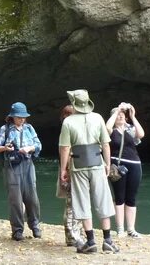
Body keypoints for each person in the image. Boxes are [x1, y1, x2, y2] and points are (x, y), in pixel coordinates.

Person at [59, 89, 119, 254]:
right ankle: (108, 241)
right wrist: (107, 164)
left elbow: (65, 148)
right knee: (103, 200)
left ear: (74, 104)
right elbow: (106, 144)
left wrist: (63, 169)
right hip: (97, 164)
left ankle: (91, 241)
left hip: (78, 165)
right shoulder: (98, 117)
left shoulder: (68, 122)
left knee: (82, 201)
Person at [0, 102, 42, 240]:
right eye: (19, 117)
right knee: (15, 199)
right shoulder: (5, 129)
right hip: (12, 167)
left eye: (24, 117)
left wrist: (29, 148)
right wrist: (5, 148)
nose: (22, 119)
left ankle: (35, 226)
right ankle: (17, 230)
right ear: (12, 117)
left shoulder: (29, 128)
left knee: (32, 198)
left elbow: (38, 145)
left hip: (28, 164)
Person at [105, 102, 145, 238]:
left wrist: (133, 116)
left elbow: (141, 134)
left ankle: (131, 229)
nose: (121, 117)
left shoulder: (130, 129)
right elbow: (107, 127)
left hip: (135, 164)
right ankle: (120, 228)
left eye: (123, 115)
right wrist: (117, 110)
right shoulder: (111, 131)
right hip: (118, 167)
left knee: (131, 198)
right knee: (120, 197)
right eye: (118, 115)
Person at [56, 105, 84, 247]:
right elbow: (64, 150)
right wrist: (64, 170)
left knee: (77, 202)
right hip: (70, 169)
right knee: (71, 204)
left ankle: (77, 233)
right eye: (67, 115)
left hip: (77, 168)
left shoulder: (71, 129)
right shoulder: (66, 130)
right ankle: (71, 236)